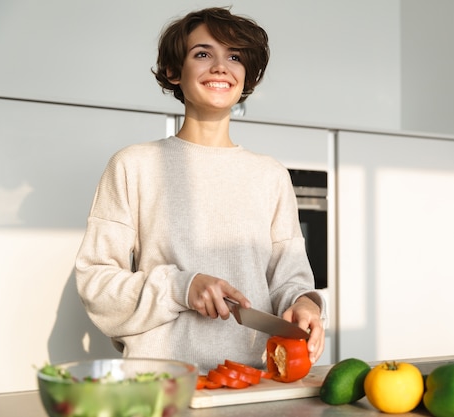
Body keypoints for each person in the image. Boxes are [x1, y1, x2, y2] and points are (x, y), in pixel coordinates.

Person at [75, 7, 326, 373]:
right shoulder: (134, 165)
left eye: (235, 57)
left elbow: (288, 279)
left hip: (251, 380)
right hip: (158, 381)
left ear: (246, 77)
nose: (221, 66)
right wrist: (181, 288)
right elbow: (95, 281)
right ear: (175, 72)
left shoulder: (270, 174)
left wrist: (306, 304)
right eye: (203, 54)